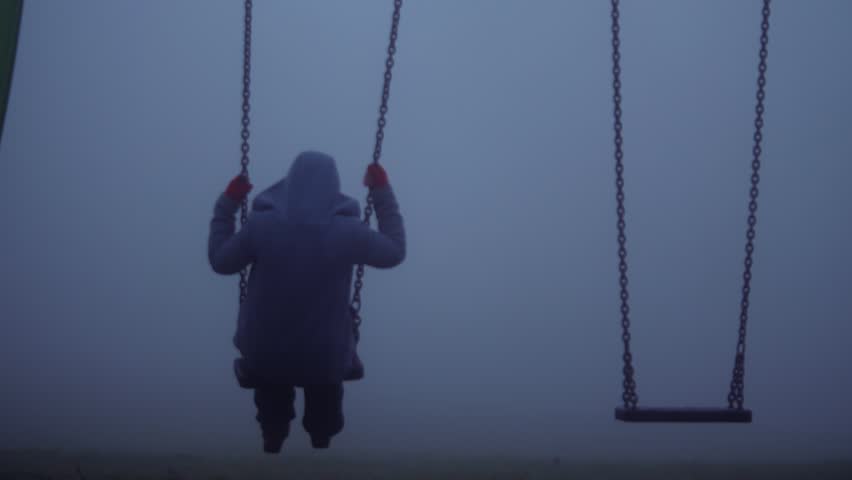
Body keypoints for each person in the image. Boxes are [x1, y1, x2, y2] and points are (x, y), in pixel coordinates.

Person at [208, 150, 406, 453]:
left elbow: (221, 261)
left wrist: (228, 203)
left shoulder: (261, 227)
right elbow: (394, 252)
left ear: (289, 182)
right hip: (325, 354)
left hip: (266, 350)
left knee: (271, 384)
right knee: (325, 387)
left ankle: (273, 433)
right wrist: (381, 192)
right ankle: (321, 433)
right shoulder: (348, 232)